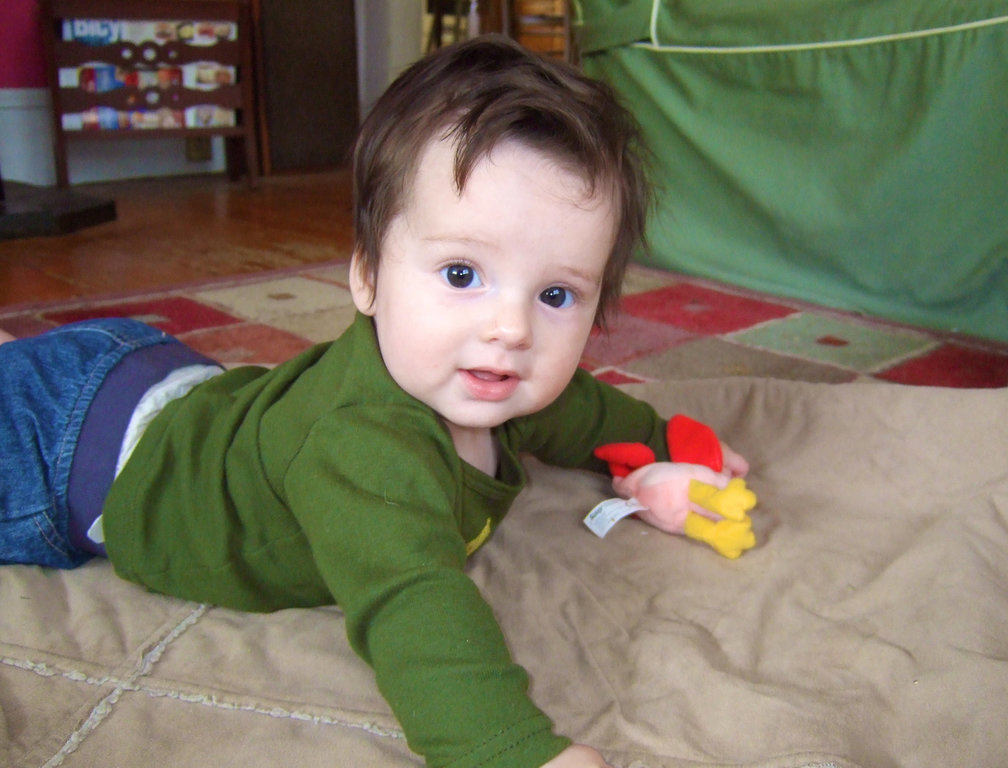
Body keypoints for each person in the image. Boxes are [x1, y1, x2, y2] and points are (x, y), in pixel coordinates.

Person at [0, 36, 750, 768]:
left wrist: (667, 447)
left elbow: (584, 411)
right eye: (462, 274)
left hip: (155, 379)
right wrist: (507, 750)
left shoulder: (497, 380)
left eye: (556, 294)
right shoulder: (367, 451)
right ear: (366, 277)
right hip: (66, 452)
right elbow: (414, 608)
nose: (510, 328)